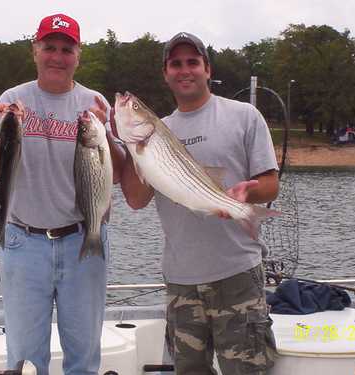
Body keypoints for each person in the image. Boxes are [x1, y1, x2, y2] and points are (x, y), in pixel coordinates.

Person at [119, 32, 279, 374]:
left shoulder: (244, 116)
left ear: (207, 69)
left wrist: (246, 195)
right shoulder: (157, 131)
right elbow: (135, 199)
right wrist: (129, 148)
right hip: (181, 282)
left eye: (193, 62)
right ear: (166, 74)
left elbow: (271, 184)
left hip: (238, 275)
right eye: (175, 64)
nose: (184, 70)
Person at [0, 13, 125, 375]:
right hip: (23, 242)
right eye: (49, 47)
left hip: (83, 238)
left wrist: (108, 131)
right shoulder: (13, 99)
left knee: (84, 353)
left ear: (78, 55)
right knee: (25, 358)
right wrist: (6, 127)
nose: (57, 57)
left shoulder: (94, 104)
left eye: (66, 49)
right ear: (35, 51)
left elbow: (117, 173)